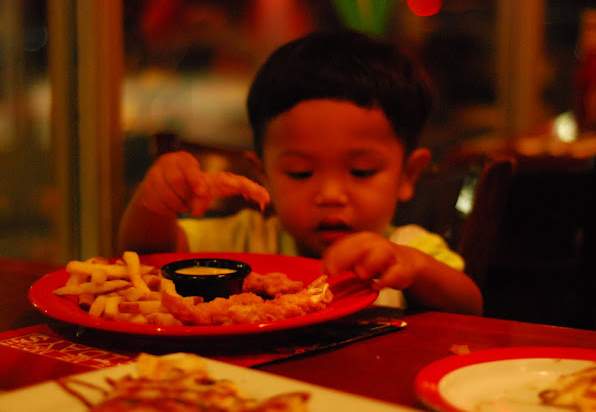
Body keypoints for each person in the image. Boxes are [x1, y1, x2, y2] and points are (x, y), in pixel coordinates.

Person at [118, 29, 483, 315]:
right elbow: (147, 257)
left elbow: (470, 308)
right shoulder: (244, 242)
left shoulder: (408, 247)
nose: (330, 195)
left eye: (361, 171)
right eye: (300, 173)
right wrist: (154, 204)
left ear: (408, 174)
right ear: (263, 174)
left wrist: (415, 269)